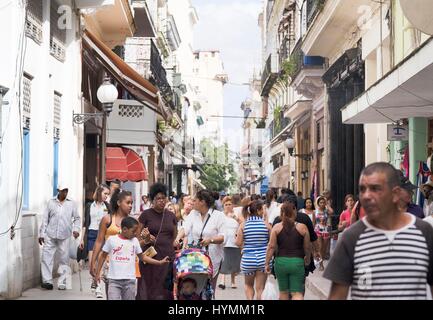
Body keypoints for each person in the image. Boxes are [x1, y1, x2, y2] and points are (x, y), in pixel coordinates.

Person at [324, 162, 433, 300]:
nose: (366, 196)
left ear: (395, 194)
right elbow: (337, 296)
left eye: (375, 189)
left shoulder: (423, 232)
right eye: (363, 189)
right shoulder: (351, 238)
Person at [96, 217, 170, 300]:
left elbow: (142, 257)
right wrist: (97, 273)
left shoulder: (135, 241)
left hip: (130, 281)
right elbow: (102, 256)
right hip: (114, 281)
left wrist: (159, 262)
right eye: (133, 231)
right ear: (124, 229)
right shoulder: (111, 240)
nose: (135, 234)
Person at [175, 190, 226, 296]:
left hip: (212, 257)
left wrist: (210, 240)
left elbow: (223, 237)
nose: (192, 202)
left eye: (195, 200)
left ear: (202, 202)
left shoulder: (218, 216)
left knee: (209, 289)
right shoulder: (193, 214)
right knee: (194, 288)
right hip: (195, 257)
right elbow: (185, 228)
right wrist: (177, 238)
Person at [136, 183, 178, 300]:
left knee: (165, 289)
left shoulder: (171, 216)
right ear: (152, 200)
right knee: (150, 289)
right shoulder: (145, 215)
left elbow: (174, 236)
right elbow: (137, 238)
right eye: (158, 198)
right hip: (150, 258)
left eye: (163, 198)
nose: (161, 201)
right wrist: (146, 238)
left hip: (167, 257)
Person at [90, 189, 134, 297]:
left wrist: (146, 239)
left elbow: (136, 243)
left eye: (131, 203)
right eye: (128, 203)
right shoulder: (107, 219)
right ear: (119, 203)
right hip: (110, 265)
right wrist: (93, 263)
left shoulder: (133, 222)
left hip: (127, 266)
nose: (130, 206)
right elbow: (99, 242)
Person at [265, 202, 311, 300]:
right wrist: (307, 258)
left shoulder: (276, 227)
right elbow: (307, 247)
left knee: (283, 293)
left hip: (280, 263)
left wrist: (267, 263)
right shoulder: (302, 227)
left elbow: (271, 247)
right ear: (294, 212)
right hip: (297, 262)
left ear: (281, 213)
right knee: (297, 293)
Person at [39, 184, 80, 290]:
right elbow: (45, 219)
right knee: (46, 258)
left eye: (66, 190)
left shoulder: (72, 203)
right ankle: (47, 281)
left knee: (64, 259)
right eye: (63, 190)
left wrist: (76, 229)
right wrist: (41, 234)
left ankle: (63, 282)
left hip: (65, 235)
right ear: (58, 190)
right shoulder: (51, 202)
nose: (65, 192)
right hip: (50, 234)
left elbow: (77, 218)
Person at [236, 200, 270, 300]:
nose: (264, 211)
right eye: (262, 209)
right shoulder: (266, 225)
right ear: (259, 211)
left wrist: (244, 245)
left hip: (248, 259)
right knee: (260, 289)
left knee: (248, 285)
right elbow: (272, 243)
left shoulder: (243, 225)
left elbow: (238, 243)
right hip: (263, 259)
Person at [81, 184, 110, 298]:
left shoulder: (107, 206)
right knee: (92, 264)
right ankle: (94, 279)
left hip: (102, 235)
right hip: (91, 235)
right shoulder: (89, 206)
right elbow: (85, 223)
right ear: (99, 192)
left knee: (100, 262)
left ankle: (98, 287)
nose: (106, 196)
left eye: (108, 194)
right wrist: (81, 240)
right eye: (105, 194)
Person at [218, 196, 242, 290]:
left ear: (233, 205)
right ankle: (222, 281)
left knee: (234, 262)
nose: (228, 206)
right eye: (226, 204)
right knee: (224, 261)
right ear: (223, 205)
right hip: (224, 241)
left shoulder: (236, 214)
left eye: (230, 204)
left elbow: (242, 224)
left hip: (234, 241)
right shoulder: (220, 215)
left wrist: (235, 218)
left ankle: (233, 281)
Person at [314, 195, 331, 271]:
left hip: (326, 230)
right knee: (320, 247)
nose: (322, 204)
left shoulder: (326, 210)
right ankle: (321, 264)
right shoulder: (316, 211)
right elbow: (313, 222)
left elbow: (332, 211)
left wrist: (327, 204)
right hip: (318, 229)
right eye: (320, 202)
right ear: (318, 203)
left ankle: (321, 260)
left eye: (323, 202)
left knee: (324, 249)